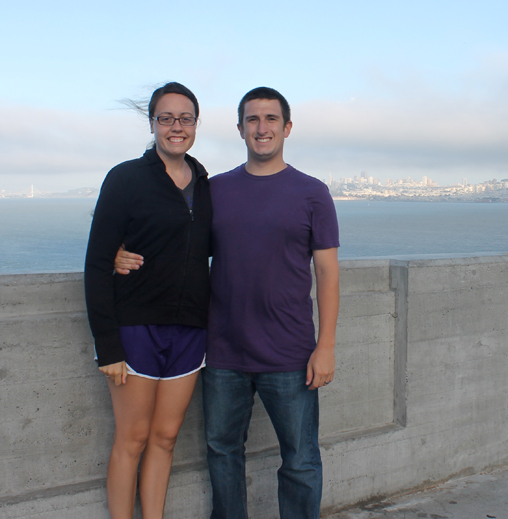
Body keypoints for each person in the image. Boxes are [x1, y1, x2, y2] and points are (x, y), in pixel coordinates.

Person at [115, 87, 340, 519]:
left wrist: (325, 345)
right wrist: (113, 250)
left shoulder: (313, 193)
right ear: (239, 129)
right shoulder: (213, 189)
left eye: (271, 119)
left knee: (301, 461)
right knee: (222, 453)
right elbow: (169, 237)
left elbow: (327, 273)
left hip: (290, 353)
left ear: (287, 128)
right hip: (222, 353)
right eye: (252, 120)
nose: (262, 128)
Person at [85, 82, 212, 519]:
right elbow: (97, 263)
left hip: (190, 332)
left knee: (165, 438)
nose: (176, 127)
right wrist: (108, 346)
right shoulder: (125, 177)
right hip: (135, 328)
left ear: (196, 123)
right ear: (153, 123)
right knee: (132, 439)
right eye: (167, 118)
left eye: (185, 118)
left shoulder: (204, 182)